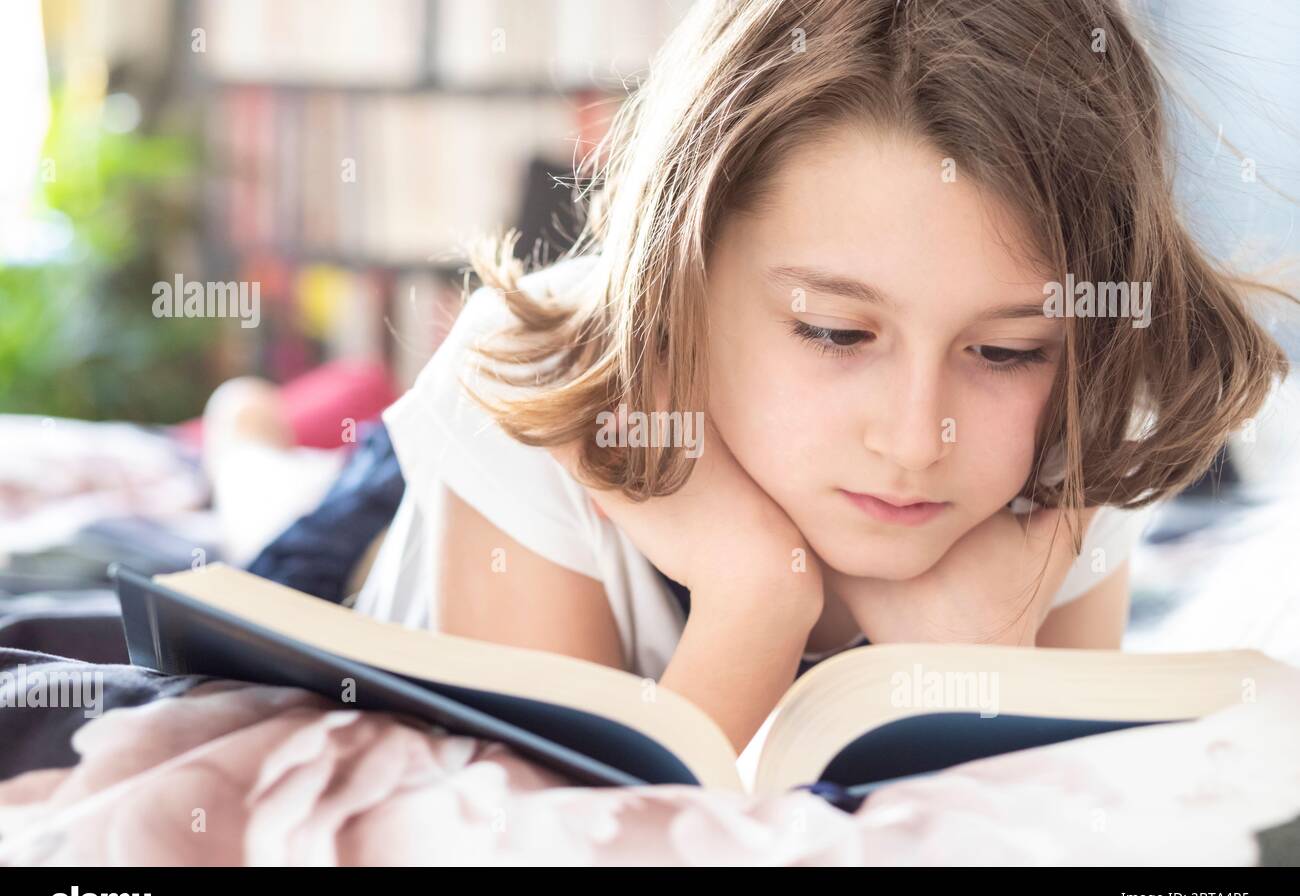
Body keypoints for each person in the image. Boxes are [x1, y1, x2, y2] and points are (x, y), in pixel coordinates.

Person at [352, 0, 1292, 754]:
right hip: (467, 469)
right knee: (324, 505)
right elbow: (559, 841)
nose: (918, 441)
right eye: (836, 333)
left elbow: (1041, 817)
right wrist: (754, 605)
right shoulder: (519, 403)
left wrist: (988, 665)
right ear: (680, 277)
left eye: (1005, 351)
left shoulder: (1084, 421)